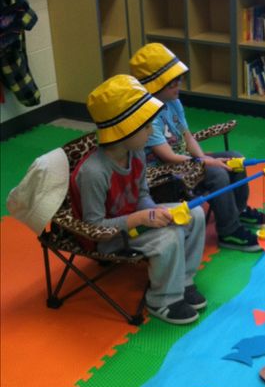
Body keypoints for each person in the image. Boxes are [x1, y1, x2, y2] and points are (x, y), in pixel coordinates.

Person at [70, 74, 207, 326]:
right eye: (145, 126)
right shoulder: (94, 172)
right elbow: (94, 227)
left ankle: (182, 281)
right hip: (109, 239)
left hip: (135, 222)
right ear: (124, 131)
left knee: (193, 213)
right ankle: (162, 299)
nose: (151, 131)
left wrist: (154, 213)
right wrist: (141, 218)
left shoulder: (135, 154)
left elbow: (142, 195)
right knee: (169, 236)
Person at [130, 43, 265, 253]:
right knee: (216, 173)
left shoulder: (174, 102)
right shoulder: (149, 115)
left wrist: (203, 156)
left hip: (185, 160)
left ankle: (238, 210)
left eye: (179, 80)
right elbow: (167, 156)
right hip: (163, 171)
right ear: (155, 87)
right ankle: (229, 231)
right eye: (172, 83)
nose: (179, 85)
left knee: (236, 159)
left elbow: (187, 137)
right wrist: (205, 162)